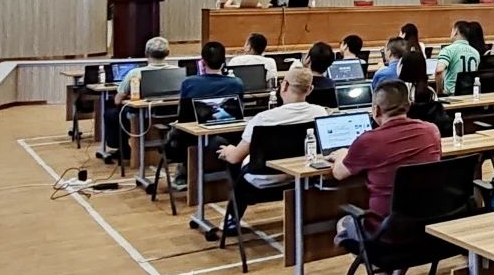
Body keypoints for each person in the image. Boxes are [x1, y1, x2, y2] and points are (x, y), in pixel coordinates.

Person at [329, 80, 442, 275]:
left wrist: (342, 154)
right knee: (405, 214)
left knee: (344, 223)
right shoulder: (432, 131)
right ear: (408, 105)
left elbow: (339, 173)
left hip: (387, 233)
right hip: (428, 227)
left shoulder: (368, 141)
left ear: (376, 110)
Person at [216, 66, 328, 232]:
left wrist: (228, 150)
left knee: (232, 158)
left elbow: (234, 158)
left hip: (260, 182)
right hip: (300, 179)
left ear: (284, 86)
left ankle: (232, 219)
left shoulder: (263, 118)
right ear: (310, 89)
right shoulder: (320, 113)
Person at [164, 41, 244, 189]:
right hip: (229, 137)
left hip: (191, 137)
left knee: (174, 131)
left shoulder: (189, 83)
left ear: (202, 62)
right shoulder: (237, 83)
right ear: (224, 62)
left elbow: (182, 115)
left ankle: (183, 174)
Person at [104, 36, 173, 160]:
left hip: (142, 115)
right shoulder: (178, 71)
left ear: (146, 53)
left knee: (111, 110)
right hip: (170, 114)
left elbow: (118, 100)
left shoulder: (135, 73)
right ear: (168, 53)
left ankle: (122, 149)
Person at [435, 21, 480, 95]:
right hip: (470, 95)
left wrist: (439, 92)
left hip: (452, 96)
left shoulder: (448, 50)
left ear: (456, 31)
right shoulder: (475, 52)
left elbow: (439, 71)